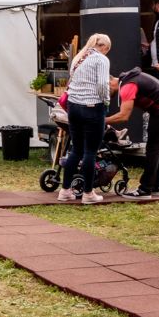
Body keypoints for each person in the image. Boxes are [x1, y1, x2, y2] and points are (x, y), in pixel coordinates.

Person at [108, 67, 159, 198]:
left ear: (109, 81)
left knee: (153, 149)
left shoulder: (127, 86)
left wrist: (103, 120)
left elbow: (124, 116)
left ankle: (145, 190)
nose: (106, 93)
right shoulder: (131, 79)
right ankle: (157, 186)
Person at [59, 33, 112, 203]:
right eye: (108, 50)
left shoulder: (78, 58)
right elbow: (103, 84)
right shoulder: (101, 60)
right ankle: (89, 193)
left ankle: (65, 190)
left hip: (73, 107)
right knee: (90, 151)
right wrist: (106, 101)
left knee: (76, 150)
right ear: (104, 47)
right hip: (92, 107)